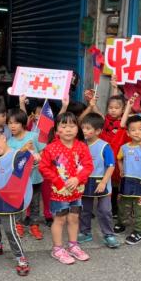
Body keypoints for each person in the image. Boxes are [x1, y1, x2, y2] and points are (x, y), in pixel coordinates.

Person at [39, 112, 94, 265]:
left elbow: (88, 166)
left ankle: (73, 246)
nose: (68, 129)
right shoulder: (51, 148)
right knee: (60, 219)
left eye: (72, 126)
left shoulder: (82, 146)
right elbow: (43, 168)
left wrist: (78, 178)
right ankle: (57, 249)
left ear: (78, 128)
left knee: (74, 218)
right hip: (59, 192)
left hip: (76, 190)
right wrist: (58, 182)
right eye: (64, 126)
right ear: (57, 130)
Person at [0, 129, 32, 276]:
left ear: (3, 138)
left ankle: (21, 258)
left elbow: (29, 164)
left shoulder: (17, 155)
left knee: (10, 229)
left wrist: (33, 157)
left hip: (9, 198)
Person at [77, 113, 120, 248]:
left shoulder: (104, 146)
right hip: (85, 182)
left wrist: (103, 182)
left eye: (88, 128)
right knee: (84, 209)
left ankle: (108, 234)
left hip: (102, 182)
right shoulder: (80, 145)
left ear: (98, 131)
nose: (84, 131)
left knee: (105, 210)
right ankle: (85, 232)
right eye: (83, 128)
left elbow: (111, 166)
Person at [114, 115, 141, 245]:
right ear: (128, 133)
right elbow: (119, 158)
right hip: (127, 182)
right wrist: (121, 169)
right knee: (124, 205)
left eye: (140, 129)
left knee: (140, 209)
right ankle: (122, 223)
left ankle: (139, 231)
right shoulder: (124, 148)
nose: (137, 132)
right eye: (133, 130)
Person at [7, 106, 44, 240]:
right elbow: (11, 160)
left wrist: (39, 156)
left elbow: (43, 151)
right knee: (18, 202)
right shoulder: (9, 142)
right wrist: (23, 150)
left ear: (23, 123)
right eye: (9, 123)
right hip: (19, 179)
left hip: (35, 177)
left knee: (35, 203)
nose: (12, 126)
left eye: (16, 123)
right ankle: (18, 225)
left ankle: (34, 225)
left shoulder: (33, 136)